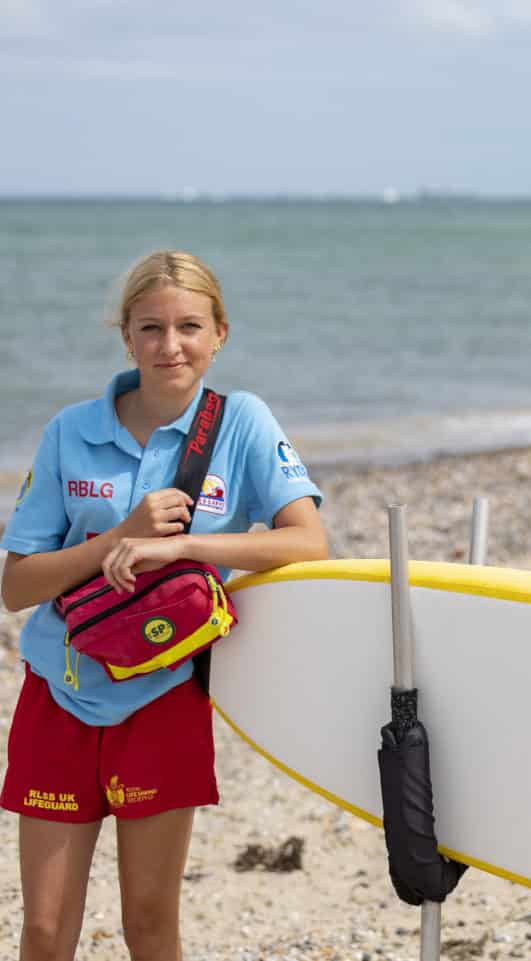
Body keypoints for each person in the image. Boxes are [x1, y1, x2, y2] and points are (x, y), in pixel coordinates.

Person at [2, 251, 327, 960]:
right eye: (151, 327)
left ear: (220, 335)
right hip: (58, 695)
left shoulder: (241, 422)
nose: (169, 345)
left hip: (167, 696)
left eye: (188, 327)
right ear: (126, 336)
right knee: (44, 929)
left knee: (151, 924)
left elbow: (308, 543)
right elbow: (17, 585)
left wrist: (181, 550)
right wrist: (119, 537)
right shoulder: (70, 431)